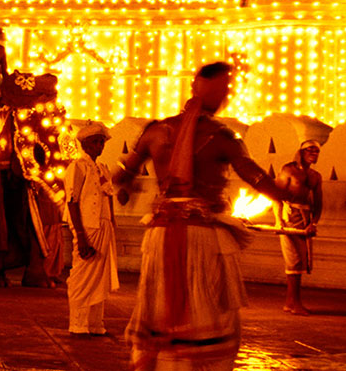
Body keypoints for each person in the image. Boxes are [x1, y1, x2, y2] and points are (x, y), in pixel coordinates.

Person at [115, 62, 293, 370]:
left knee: (160, 311)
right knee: (210, 316)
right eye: (223, 89)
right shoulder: (222, 137)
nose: (226, 95)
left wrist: (127, 186)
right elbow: (255, 177)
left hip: (160, 235)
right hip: (201, 239)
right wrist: (289, 193)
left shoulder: (154, 131)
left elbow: (123, 175)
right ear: (204, 87)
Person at [64, 122, 118, 336]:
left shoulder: (103, 168)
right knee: (82, 277)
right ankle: (78, 323)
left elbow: (109, 198)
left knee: (99, 280)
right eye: (95, 142)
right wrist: (80, 236)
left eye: (101, 142)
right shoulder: (77, 167)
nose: (99, 146)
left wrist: (113, 225)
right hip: (87, 227)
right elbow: (72, 202)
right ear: (84, 144)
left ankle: (95, 324)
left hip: (103, 227)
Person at [273, 139, 323, 315]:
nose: (314, 154)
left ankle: (291, 302)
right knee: (293, 260)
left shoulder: (316, 176)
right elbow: (276, 196)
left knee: (300, 262)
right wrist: (279, 220)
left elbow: (318, 203)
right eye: (311, 151)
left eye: (317, 151)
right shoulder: (288, 170)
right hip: (289, 218)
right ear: (301, 152)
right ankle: (294, 303)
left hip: (305, 220)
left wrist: (313, 223)